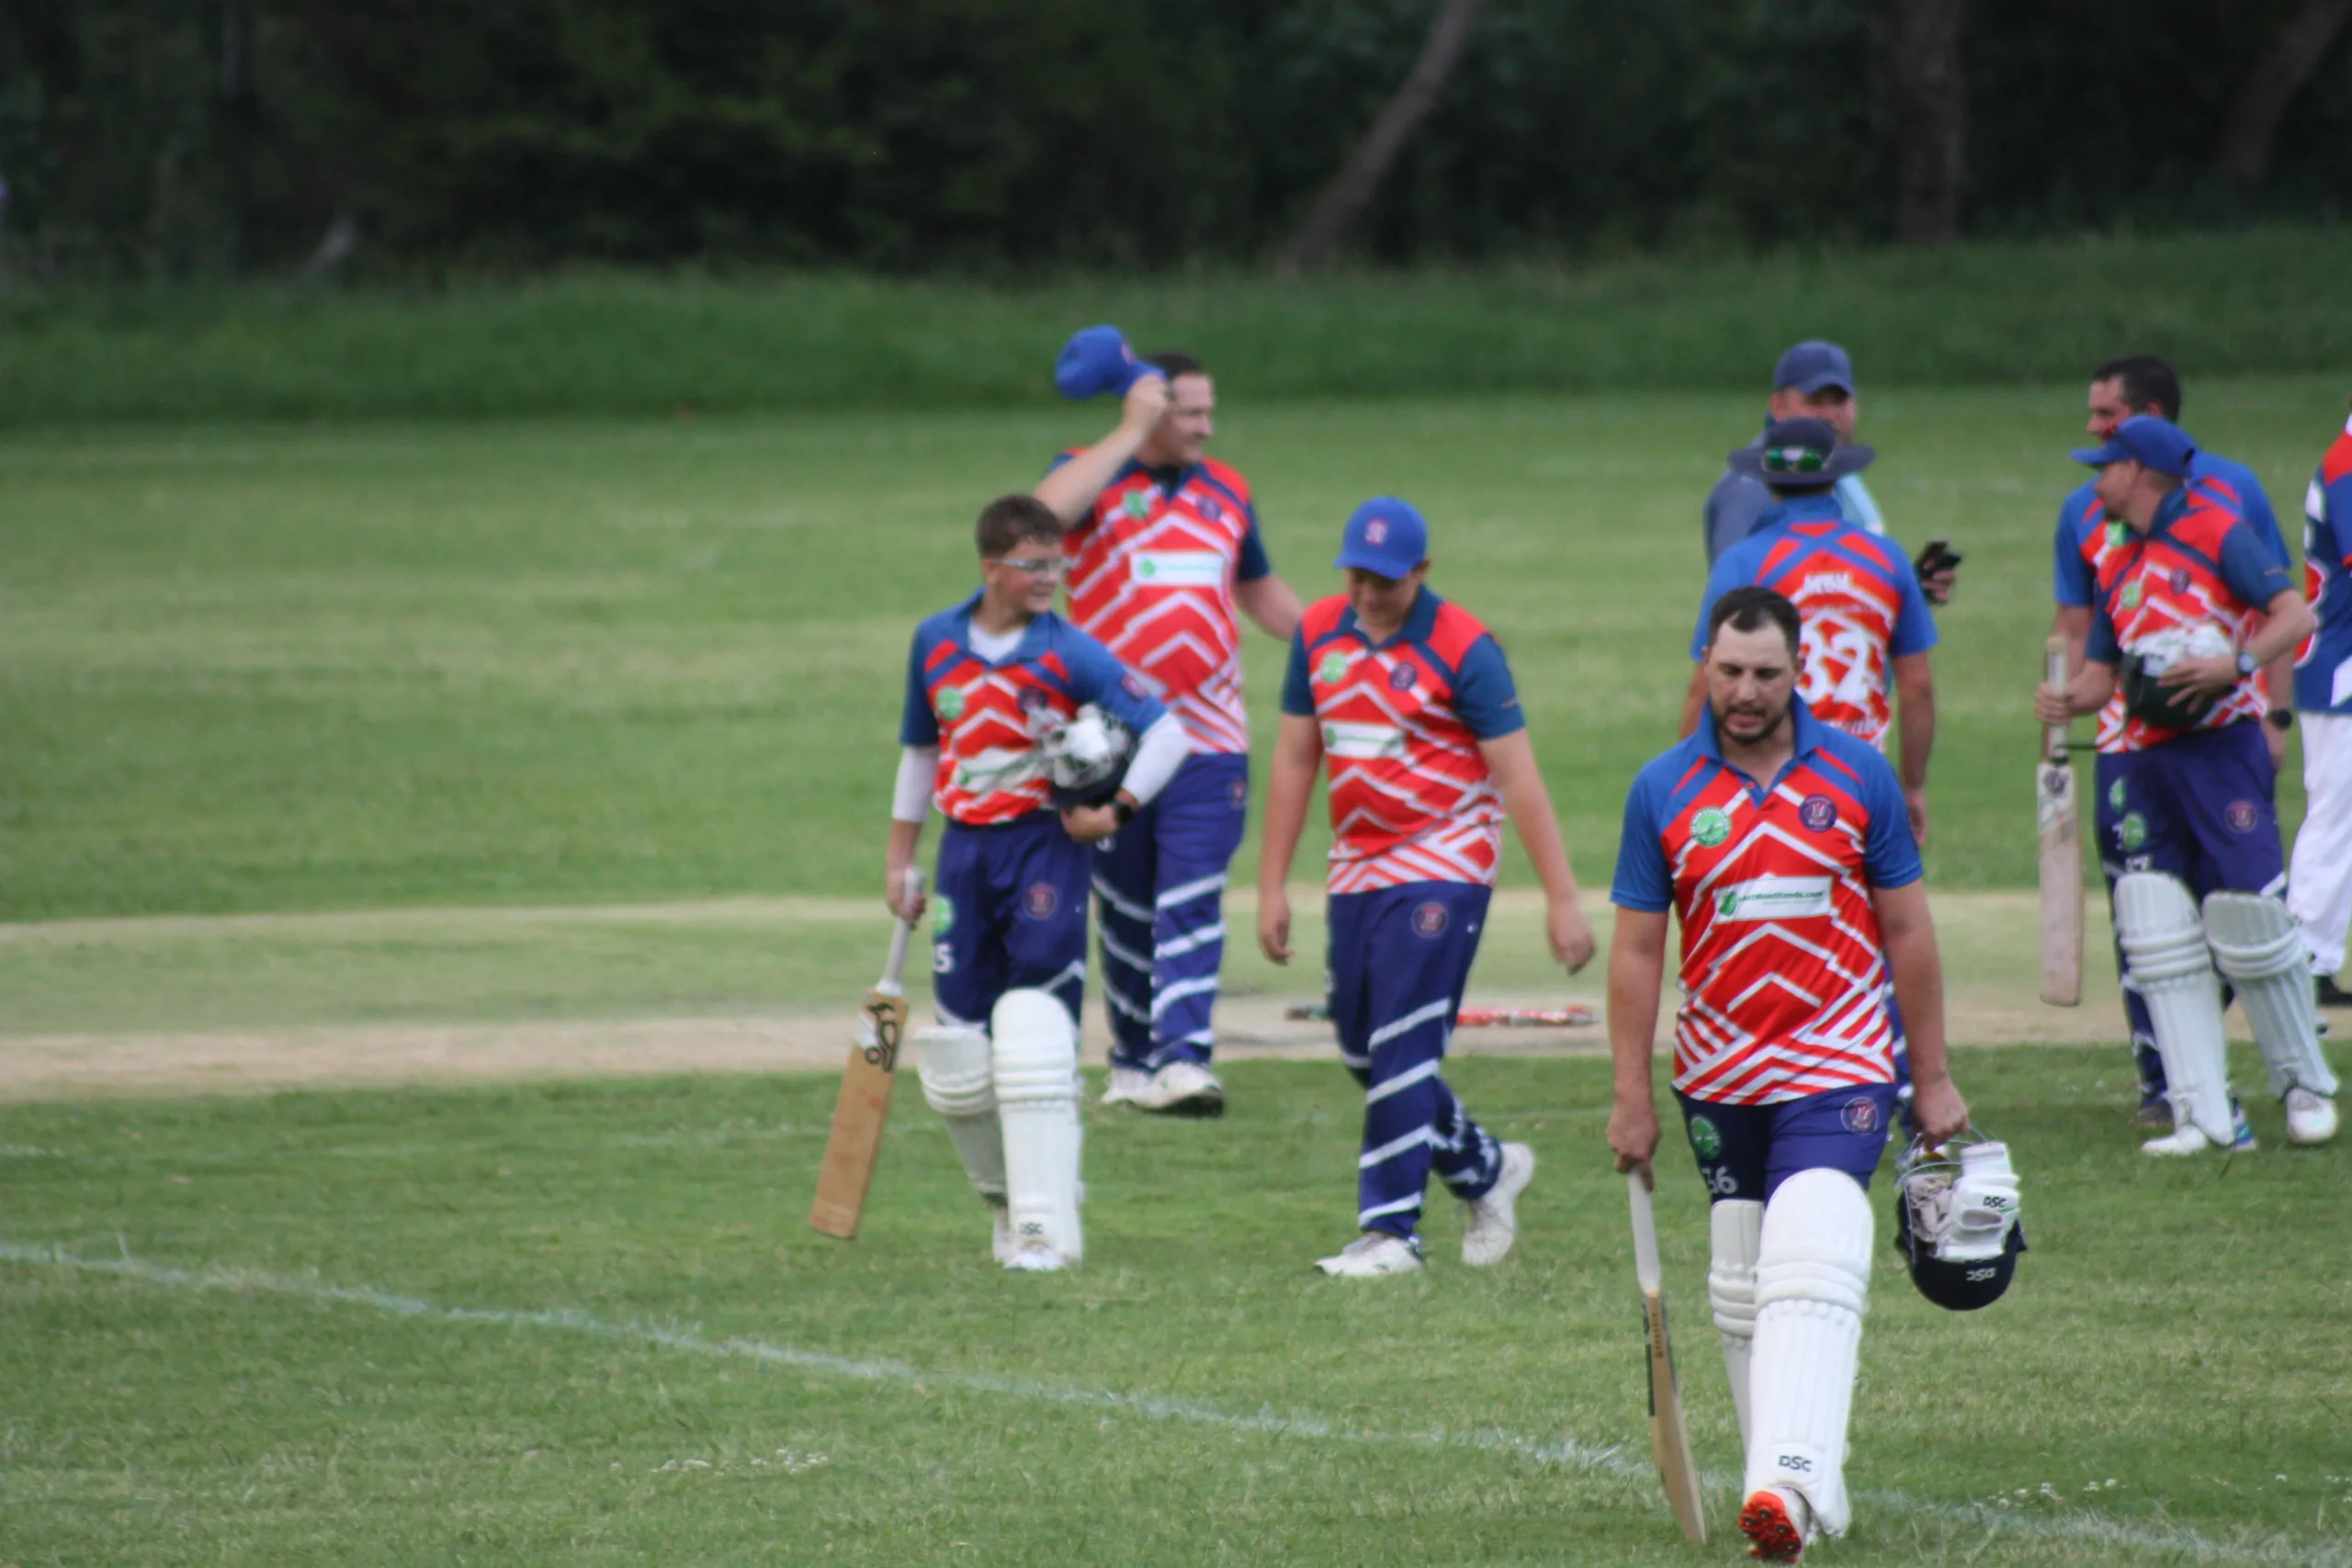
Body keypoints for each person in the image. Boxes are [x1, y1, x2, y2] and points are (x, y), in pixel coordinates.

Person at [1607, 585, 1970, 1562]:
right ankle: (1804, 1494)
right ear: (1706, 666)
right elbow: (1637, 951)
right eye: (1729, 671)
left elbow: (1907, 930)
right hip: (1718, 1072)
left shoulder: (1857, 774)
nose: (1745, 691)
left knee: (1811, 1245)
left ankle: (1784, 1485)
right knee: (1741, 1280)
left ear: (1798, 670)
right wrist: (1631, 1095)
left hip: (1838, 1058)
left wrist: (1931, 1075)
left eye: (1766, 673)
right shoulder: (1662, 789)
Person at [1255, 498, 1596, 1277]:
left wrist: (1562, 897)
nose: (1369, 593)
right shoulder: (1318, 633)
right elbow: (1296, 758)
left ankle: (1391, 1233)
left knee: (1403, 1039)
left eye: (1385, 579)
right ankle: (1486, 1169)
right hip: (1359, 863)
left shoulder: (1466, 647)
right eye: (1357, 576)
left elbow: (1518, 774)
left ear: (1421, 571)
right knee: (1360, 1045)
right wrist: (1272, 884)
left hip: (1448, 857)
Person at [886, 494, 1191, 1269]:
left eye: (1058, 561)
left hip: (1043, 850)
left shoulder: (1070, 651)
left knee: (1039, 1029)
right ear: (991, 567)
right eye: (1034, 564)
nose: (1052, 576)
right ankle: (1006, 1199)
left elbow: (1167, 733)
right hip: (963, 853)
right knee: (962, 1044)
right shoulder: (934, 641)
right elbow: (922, 752)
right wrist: (900, 858)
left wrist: (1116, 810)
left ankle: (1044, 1217)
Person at [2035, 417, 2335, 1153]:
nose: (2094, 482)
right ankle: (2202, 1109)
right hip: (2141, 758)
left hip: (2221, 749)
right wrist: (2068, 700)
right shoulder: (2113, 555)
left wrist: (2235, 665)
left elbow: (2296, 614)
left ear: (2139, 472)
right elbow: (2104, 673)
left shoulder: (2217, 530)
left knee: (2251, 916)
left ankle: (2302, 1084)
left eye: (2105, 467)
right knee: (2156, 927)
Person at [1035, 344, 1306, 1117]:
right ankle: (1131, 1062)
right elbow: (1041, 520)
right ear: (1150, 408)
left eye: (1208, 411)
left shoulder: (1227, 490)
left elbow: (1258, 590)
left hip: (1212, 738)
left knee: (1192, 894)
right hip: (1112, 740)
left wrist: (1337, 640)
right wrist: (1127, 430)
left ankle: (1184, 1058)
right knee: (1125, 907)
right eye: (1188, 412)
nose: (1204, 426)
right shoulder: (1089, 474)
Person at [1680, 417, 1937, 843]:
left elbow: (1703, 687)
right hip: (1863, 782)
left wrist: (1688, 786)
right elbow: (1918, 689)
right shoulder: (1887, 559)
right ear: (1836, 479)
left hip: (1767, 787)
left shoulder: (1743, 563)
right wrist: (1912, 786)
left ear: (1768, 483)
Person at [1702, 341, 1957, 604]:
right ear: (1778, 407)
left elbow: (1840, 580)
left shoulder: (1837, 471)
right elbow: (1738, 603)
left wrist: (1909, 591)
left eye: (1839, 401)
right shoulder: (1751, 488)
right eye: (1814, 402)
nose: (1829, 415)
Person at [2289, 400, 2352, 1008]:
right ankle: (2305, 956)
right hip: (2340, 672)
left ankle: (2312, 955)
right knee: (2336, 813)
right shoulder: (2348, 464)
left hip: (2337, 666)